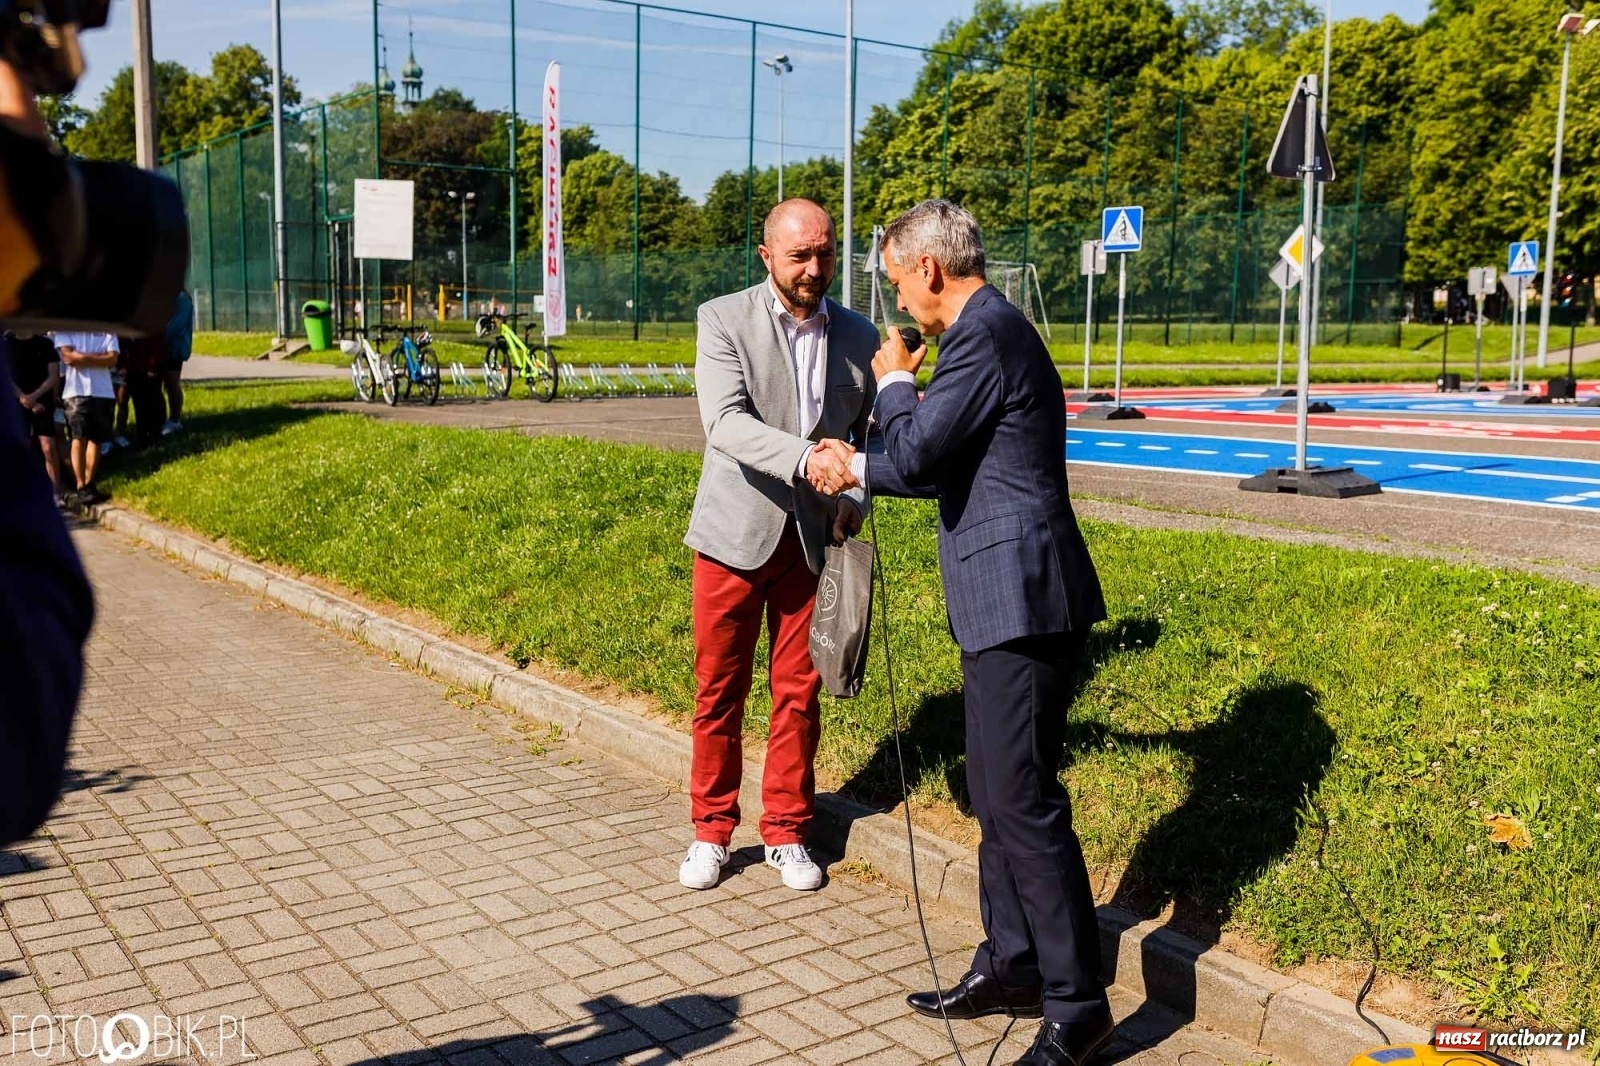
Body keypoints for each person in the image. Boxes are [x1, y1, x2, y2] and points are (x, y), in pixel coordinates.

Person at [857, 200, 1115, 1066]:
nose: (899, 299)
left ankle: (1078, 1007)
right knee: (994, 791)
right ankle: (1013, 964)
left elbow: (924, 451)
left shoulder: (984, 332)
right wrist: (854, 464)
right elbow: (941, 459)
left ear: (929, 268)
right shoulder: (989, 335)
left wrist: (894, 382)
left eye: (897, 278)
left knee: (1022, 801)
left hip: (1023, 598)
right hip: (1000, 597)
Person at [679, 198, 877, 893]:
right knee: (719, 691)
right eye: (800, 256)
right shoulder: (721, 318)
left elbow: (867, 436)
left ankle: (788, 832)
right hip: (733, 537)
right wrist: (807, 459)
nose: (815, 269)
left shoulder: (860, 334)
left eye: (825, 254)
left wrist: (852, 496)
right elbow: (725, 423)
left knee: (798, 693)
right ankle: (710, 830)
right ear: (767, 256)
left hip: (812, 542)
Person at [53, 330, 119, 505]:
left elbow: (112, 359)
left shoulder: (106, 329)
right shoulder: (67, 327)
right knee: (78, 437)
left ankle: (89, 483)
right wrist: (98, 358)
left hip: (102, 391)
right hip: (76, 392)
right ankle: (80, 484)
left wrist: (82, 357)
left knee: (97, 439)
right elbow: (68, 358)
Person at [7, 330, 63, 499]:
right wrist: (23, 398)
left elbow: (53, 375)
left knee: (48, 446)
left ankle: (55, 492)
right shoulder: (7, 344)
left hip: (42, 402)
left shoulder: (45, 344)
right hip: (17, 402)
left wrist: (35, 396)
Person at [162, 288, 193, 434]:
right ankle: (160, 419)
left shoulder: (183, 300)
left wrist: (159, 335)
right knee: (159, 385)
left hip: (174, 348)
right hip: (159, 347)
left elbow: (176, 326)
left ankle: (174, 420)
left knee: (172, 383)